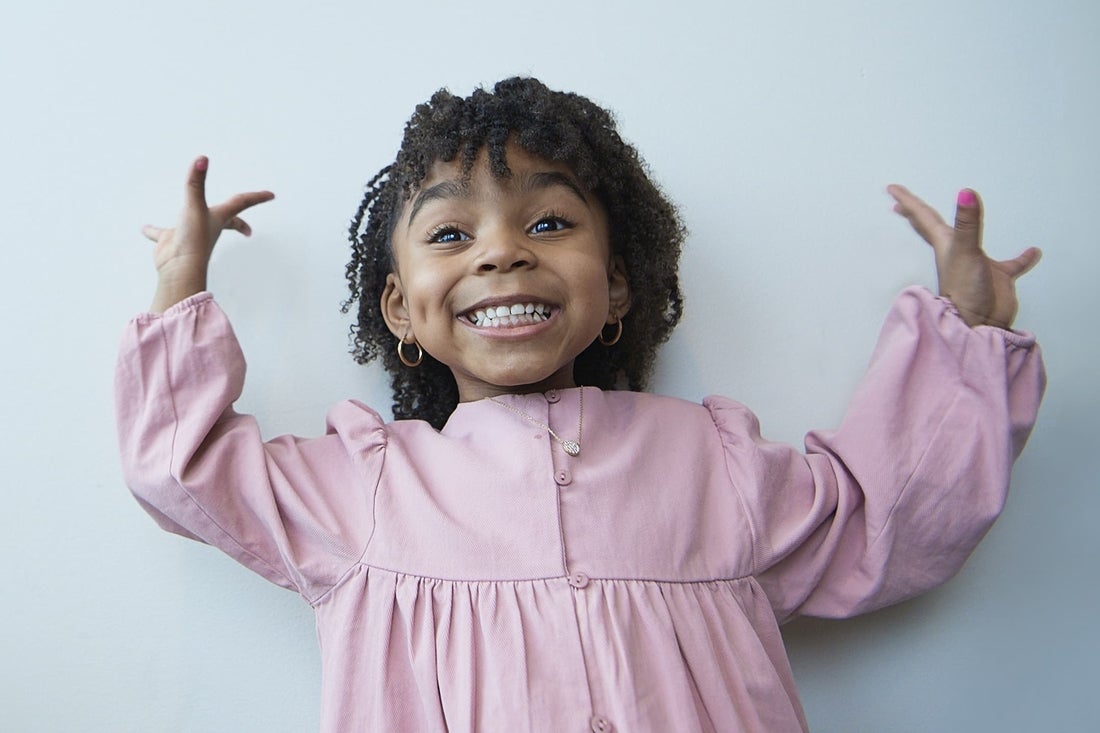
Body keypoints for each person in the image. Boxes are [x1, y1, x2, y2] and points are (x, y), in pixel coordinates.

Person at [116, 77, 1045, 732]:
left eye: (549, 222)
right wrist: (180, 282)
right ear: (399, 308)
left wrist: (966, 328)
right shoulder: (367, 490)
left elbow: (886, 519)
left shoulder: (711, 463)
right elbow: (182, 468)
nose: (502, 252)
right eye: (450, 231)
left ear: (620, 287)